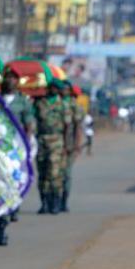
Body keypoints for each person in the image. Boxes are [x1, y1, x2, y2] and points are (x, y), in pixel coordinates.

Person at [0, 63, 36, 245]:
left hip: (14, 151)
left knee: (12, 183)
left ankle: (5, 222)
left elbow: (29, 126)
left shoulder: (23, 102)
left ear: (18, 81)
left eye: (13, 78)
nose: (10, 80)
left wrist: (24, 147)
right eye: (7, 77)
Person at [35, 79, 70, 215]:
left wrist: (67, 144)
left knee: (54, 174)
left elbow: (67, 126)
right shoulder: (39, 103)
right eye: (52, 87)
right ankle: (44, 203)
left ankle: (55, 202)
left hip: (57, 140)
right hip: (41, 140)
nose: (54, 90)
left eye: (57, 88)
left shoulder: (63, 104)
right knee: (42, 173)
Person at [61, 83, 85, 213]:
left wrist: (76, 144)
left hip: (69, 144)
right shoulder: (56, 103)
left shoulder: (74, 106)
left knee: (66, 174)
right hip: (55, 143)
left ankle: (63, 201)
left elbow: (78, 127)